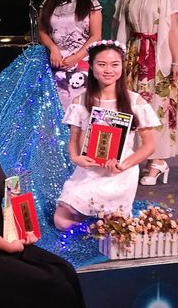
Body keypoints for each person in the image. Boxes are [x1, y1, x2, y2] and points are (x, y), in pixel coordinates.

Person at [0, 92, 85, 308]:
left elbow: (7, 196)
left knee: (66, 271)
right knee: (54, 285)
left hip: (5, 235)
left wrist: (24, 229)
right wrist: (8, 247)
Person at [54, 41, 158, 230]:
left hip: (121, 172)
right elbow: (73, 141)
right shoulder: (80, 101)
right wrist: (77, 158)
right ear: (91, 66)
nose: (108, 70)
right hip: (90, 170)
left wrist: (123, 165)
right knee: (61, 222)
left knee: (114, 229)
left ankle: (103, 221)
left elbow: (149, 145)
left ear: (122, 66)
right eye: (102, 64)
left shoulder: (135, 101)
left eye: (114, 64)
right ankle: (95, 222)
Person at [114, 0, 178, 185]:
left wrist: (176, 61)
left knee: (157, 106)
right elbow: (117, 26)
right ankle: (133, 158)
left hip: (158, 57)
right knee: (131, 106)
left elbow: (173, 30)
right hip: (132, 55)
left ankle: (158, 161)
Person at [38, 0, 102, 111]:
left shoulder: (91, 4)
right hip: (55, 63)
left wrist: (76, 57)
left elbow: (96, 36)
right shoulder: (47, 4)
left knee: (81, 109)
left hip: (82, 63)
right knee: (57, 110)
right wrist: (53, 48)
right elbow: (42, 31)